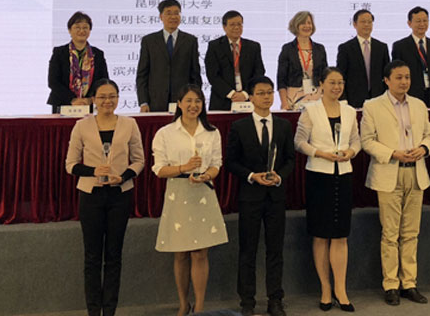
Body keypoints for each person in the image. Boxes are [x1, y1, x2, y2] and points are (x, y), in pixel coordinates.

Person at [65, 78, 144, 316]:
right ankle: (93, 311)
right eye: (102, 97)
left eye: (112, 96)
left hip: (120, 195)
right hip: (91, 195)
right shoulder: (81, 126)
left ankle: (109, 310)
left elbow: (139, 161)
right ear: (93, 100)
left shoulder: (129, 124)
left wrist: (124, 176)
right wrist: (93, 171)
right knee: (92, 257)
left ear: (118, 98)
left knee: (113, 256)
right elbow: (70, 165)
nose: (107, 101)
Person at [361, 60, 430, 305]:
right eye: (399, 77)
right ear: (386, 80)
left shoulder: (419, 105)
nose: (404, 82)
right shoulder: (372, 106)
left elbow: (429, 135)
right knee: (391, 234)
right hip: (389, 172)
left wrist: (424, 148)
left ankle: (409, 283)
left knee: (411, 233)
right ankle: (391, 284)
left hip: (416, 173)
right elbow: (367, 141)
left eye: (407, 77)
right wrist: (393, 153)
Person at [152, 84, 228, 315]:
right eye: (189, 101)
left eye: (198, 101)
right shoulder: (165, 133)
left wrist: (207, 175)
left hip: (203, 192)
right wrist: (183, 168)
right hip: (178, 192)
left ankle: (200, 306)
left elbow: (216, 164)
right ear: (179, 104)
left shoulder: (212, 132)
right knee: (181, 252)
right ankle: (183, 303)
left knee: (200, 253)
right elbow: (159, 169)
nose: (193, 105)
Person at [226, 76, 296, 316]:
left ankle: (275, 299)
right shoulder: (240, 126)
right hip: (250, 197)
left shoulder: (284, 125)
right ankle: (247, 302)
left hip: (276, 196)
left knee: (275, 250)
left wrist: (279, 176)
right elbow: (231, 162)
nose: (267, 97)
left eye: (270, 92)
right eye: (261, 93)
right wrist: (251, 175)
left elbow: (290, 160)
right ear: (252, 97)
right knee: (248, 250)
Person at [294, 67, 361, 312]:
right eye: (332, 82)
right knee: (321, 235)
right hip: (319, 176)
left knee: (340, 235)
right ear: (320, 84)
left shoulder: (350, 111)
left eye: (340, 82)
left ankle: (340, 290)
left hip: (343, 175)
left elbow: (356, 140)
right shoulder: (310, 110)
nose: (337, 87)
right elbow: (299, 142)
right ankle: (325, 288)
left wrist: (351, 152)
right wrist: (320, 153)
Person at [136, 0, 202, 112]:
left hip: (183, 102)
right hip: (155, 102)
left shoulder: (190, 41)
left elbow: (195, 74)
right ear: (161, 16)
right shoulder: (149, 41)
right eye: (169, 13)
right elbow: (142, 74)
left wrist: (195, 100)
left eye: (176, 13)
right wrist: (143, 102)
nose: (173, 17)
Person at [48, 11, 109, 112]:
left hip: (90, 104)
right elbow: (53, 82)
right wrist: (73, 100)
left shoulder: (98, 54)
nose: (82, 31)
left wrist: (89, 99)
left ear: (89, 30)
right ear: (69, 30)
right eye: (77, 27)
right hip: (63, 103)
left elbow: (104, 81)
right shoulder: (59, 52)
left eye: (85, 28)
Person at [205, 10, 265, 111]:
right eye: (232, 25)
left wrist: (245, 94)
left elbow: (259, 72)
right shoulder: (214, 46)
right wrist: (232, 94)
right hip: (222, 100)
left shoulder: (253, 47)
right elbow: (212, 75)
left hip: (248, 100)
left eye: (239, 24)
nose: (236, 27)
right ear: (224, 27)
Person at [391, 6, 430, 106]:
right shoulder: (400, 46)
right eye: (418, 21)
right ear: (409, 23)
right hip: (411, 95)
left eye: (425, 20)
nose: (422, 24)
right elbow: (397, 74)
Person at [336, 9, 390, 108]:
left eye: (369, 22)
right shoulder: (345, 48)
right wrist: (343, 100)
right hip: (354, 100)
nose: (366, 25)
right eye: (363, 22)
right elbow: (341, 76)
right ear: (355, 24)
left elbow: (387, 75)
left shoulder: (382, 47)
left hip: (379, 99)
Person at [277, 10, 328, 110]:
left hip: (317, 96)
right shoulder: (288, 49)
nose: (307, 26)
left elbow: (325, 77)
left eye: (309, 23)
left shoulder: (320, 49)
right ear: (296, 26)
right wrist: (284, 102)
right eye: (303, 23)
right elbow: (281, 79)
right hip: (294, 98)